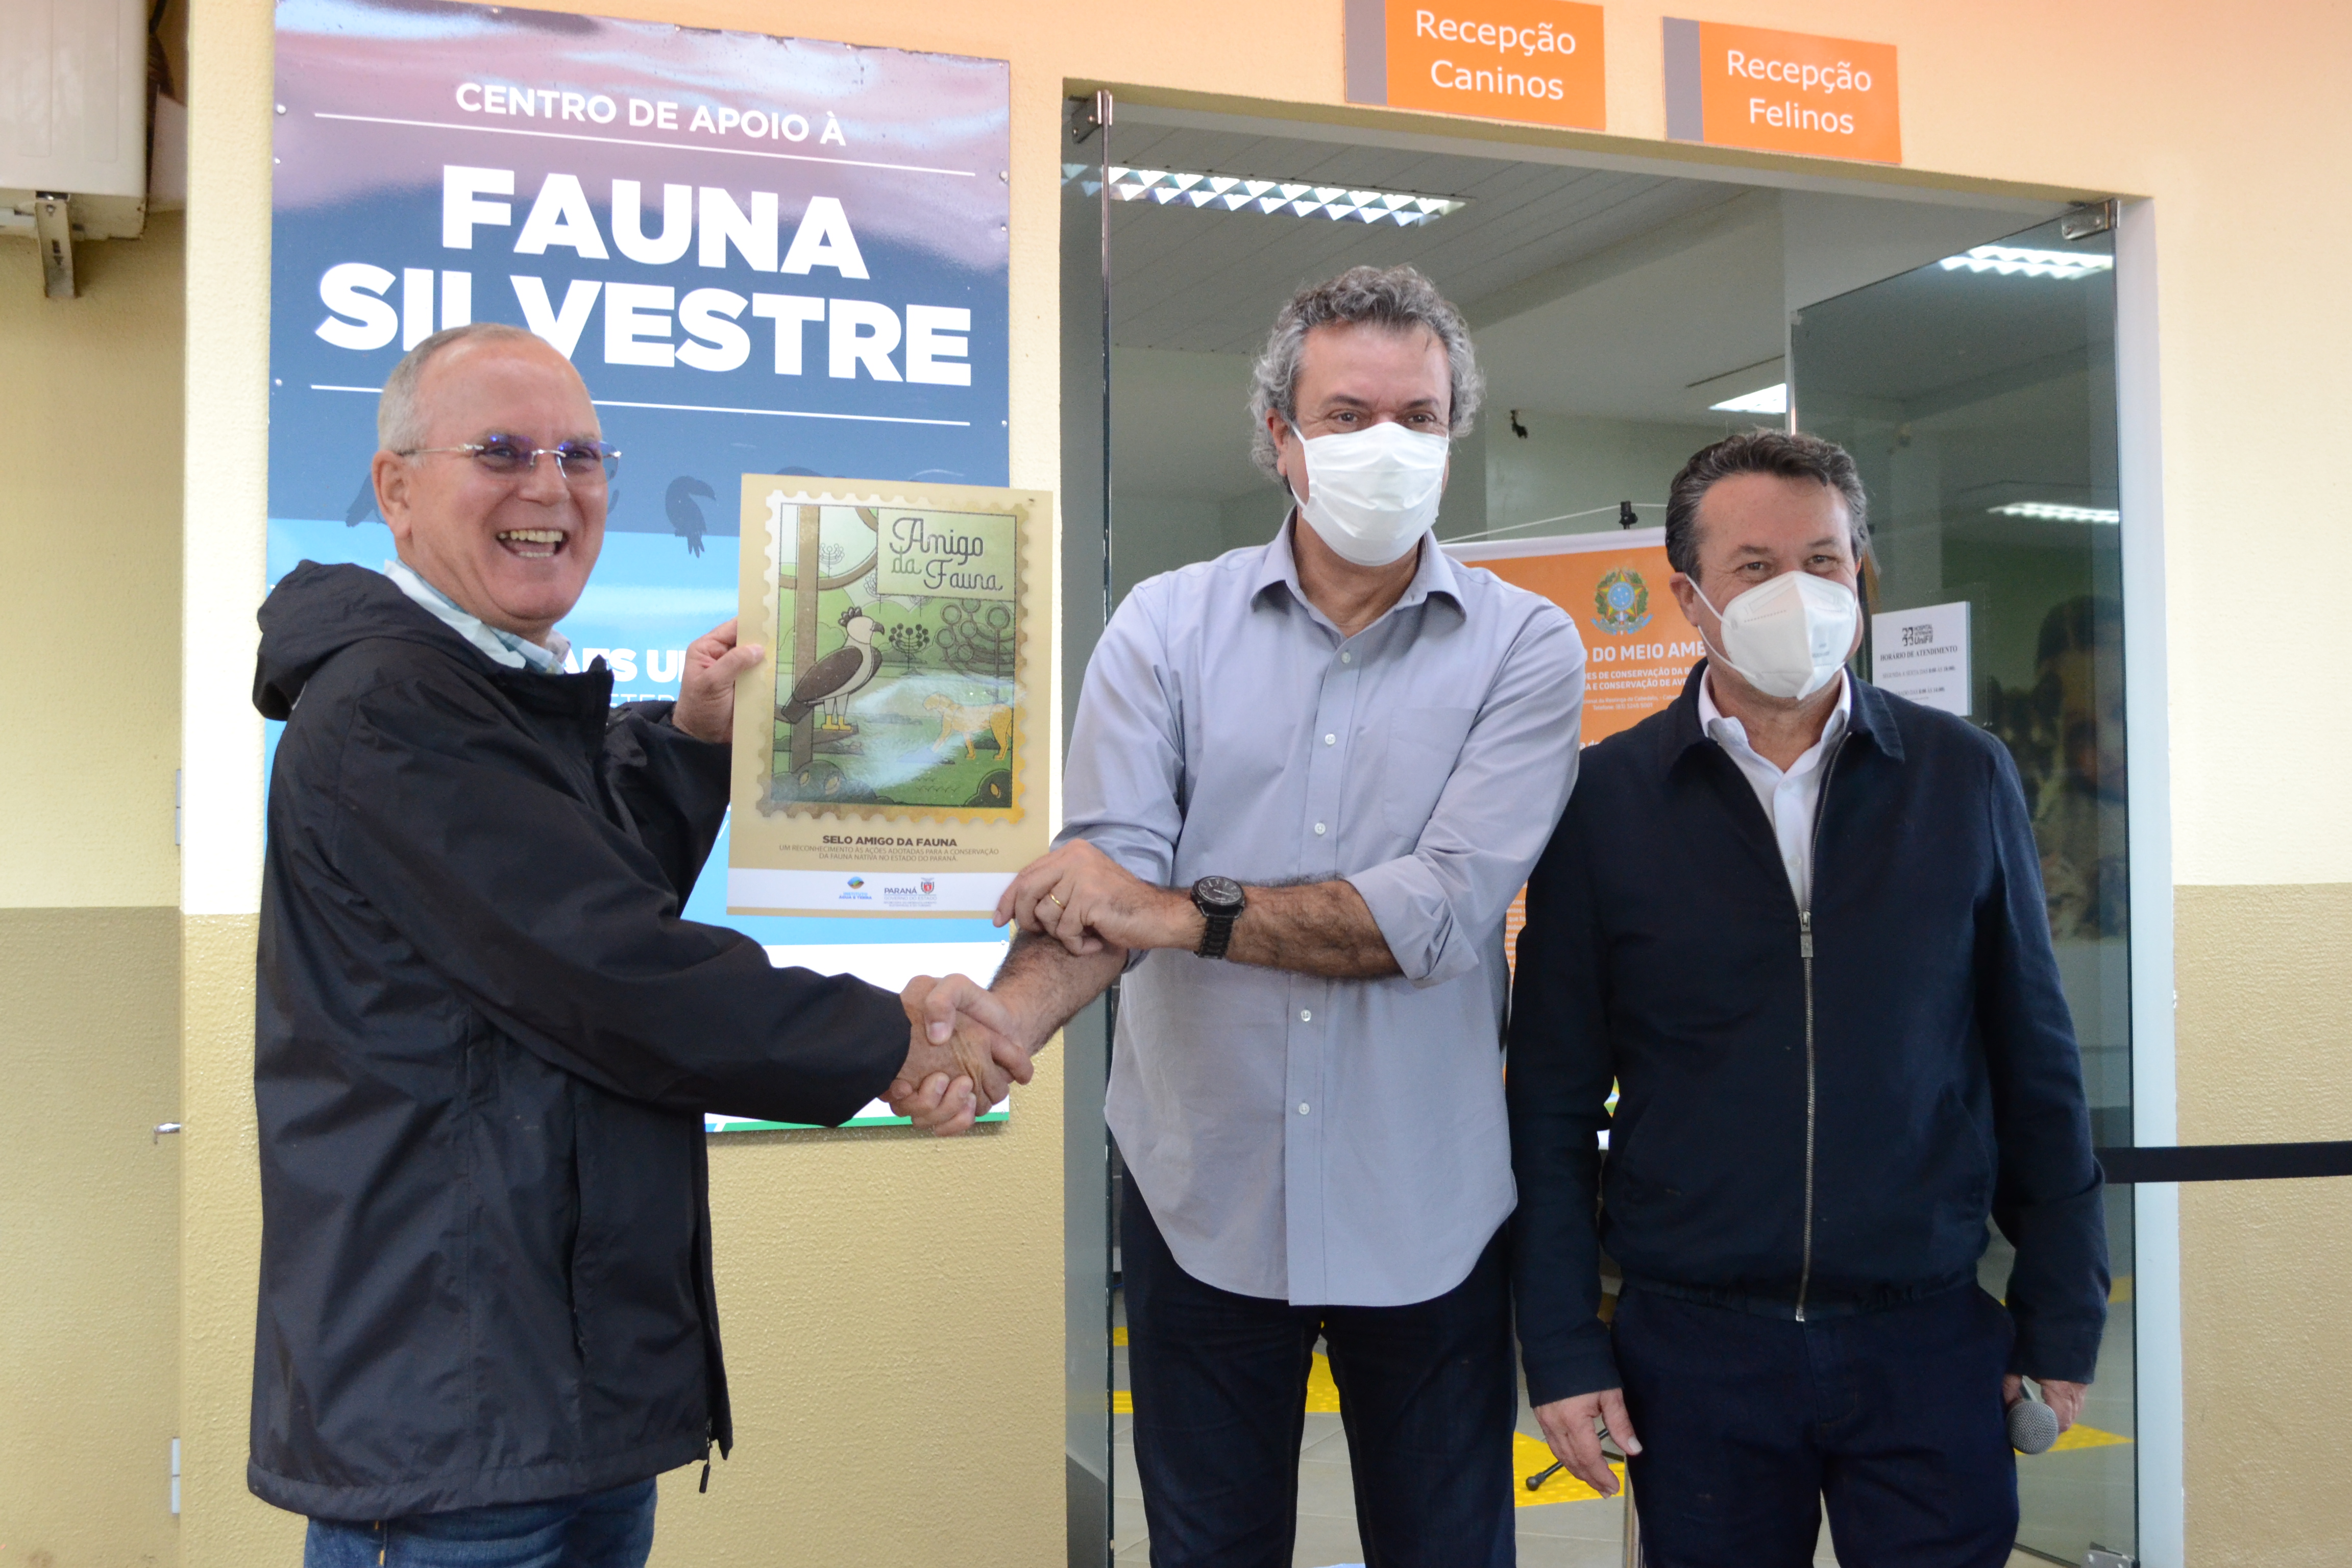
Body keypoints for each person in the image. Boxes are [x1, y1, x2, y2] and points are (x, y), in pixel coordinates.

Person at [248, 322, 1023, 1568]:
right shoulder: (395, 706)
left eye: (581, 456)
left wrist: (695, 742)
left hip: (550, 1390)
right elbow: (607, 970)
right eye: (501, 451)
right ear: (396, 489)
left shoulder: (491, 686)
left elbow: (571, 899)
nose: (551, 487)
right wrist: (891, 1036)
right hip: (461, 1412)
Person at [893, 265, 1587, 1565]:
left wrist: (1174, 915)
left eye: (1419, 417)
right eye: (1346, 416)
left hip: (1426, 1211)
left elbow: (1438, 913)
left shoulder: (1526, 646)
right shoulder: (1165, 625)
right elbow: (1106, 874)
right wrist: (1001, 1028)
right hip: (1200, 1196)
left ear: (1453, 436)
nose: (1387, 444)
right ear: (1279, 436)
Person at [1508, 430, 2110, 1567]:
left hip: (1927, 1334)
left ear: (1861, 574)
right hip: (1696, 1352)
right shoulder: (1604, 802)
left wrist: (2063, 1314)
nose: (1800, 590)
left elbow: (2036, 1059)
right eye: (1756, 566)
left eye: (1825, 561)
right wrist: (1562, 1343)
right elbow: (1549, 1103)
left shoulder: (1963, 775)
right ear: (1688, 598)